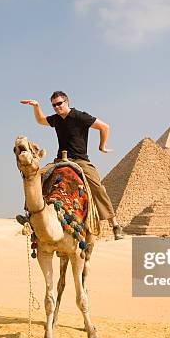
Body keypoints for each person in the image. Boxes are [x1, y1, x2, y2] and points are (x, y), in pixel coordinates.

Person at [20, 91, 124, 240]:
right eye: (54, 105)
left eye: (59, 104)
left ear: (66, 102)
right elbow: (41, 120)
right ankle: (29, 216)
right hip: (61, 159)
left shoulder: (79, 116)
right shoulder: (56, 119)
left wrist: (102, 146)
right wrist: (36, 106)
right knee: (35, 176)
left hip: (80, 160)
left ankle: (114, 224)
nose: (56, 107)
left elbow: (104, 127)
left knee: (97, 187)